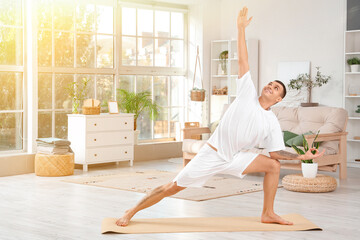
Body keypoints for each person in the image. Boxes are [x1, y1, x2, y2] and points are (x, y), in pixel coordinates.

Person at [116, 6, 325, 227]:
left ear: (279, 99)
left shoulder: (271, 121)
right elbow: (244, 60)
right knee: (172, 187)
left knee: (273, 165)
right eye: (270, 84)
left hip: (235, 157)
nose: (269, 87)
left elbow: (274, 152)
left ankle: (268, 213)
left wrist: (298, 157)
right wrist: (240, 29)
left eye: (275, 89)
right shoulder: (247, 94)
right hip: (212, 155)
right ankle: (132, 211)